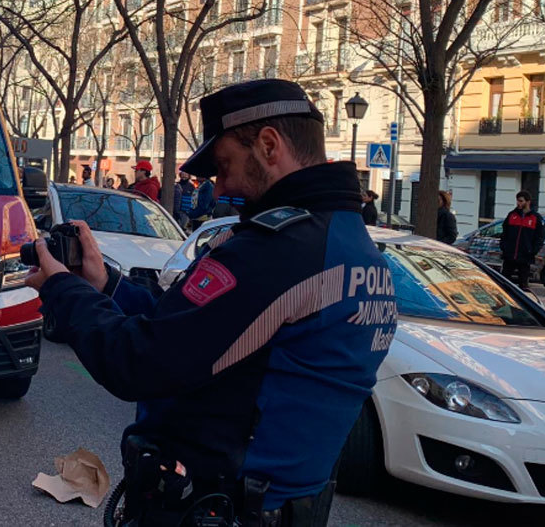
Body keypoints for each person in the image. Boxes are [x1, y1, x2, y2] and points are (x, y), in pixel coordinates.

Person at [27, 79, 395, 527]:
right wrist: (106, 286)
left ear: (268, 145)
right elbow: (197, 332)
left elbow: (141, 362)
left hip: (215, 508)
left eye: (225, 166)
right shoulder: (352, 247)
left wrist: (62, 288)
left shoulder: (277, 251)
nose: (219, 189)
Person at [499, 190, 545, 291]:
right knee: (504, 284)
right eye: (517, 201)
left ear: (528, 202)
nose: (518, 203)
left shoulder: (535, 218)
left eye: (521, 201)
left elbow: (540, 237)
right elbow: (504, 233)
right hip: (509, 255)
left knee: (523, 286)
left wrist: (532, 251)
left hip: (525, 257)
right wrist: (504, 247)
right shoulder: (512, 215)